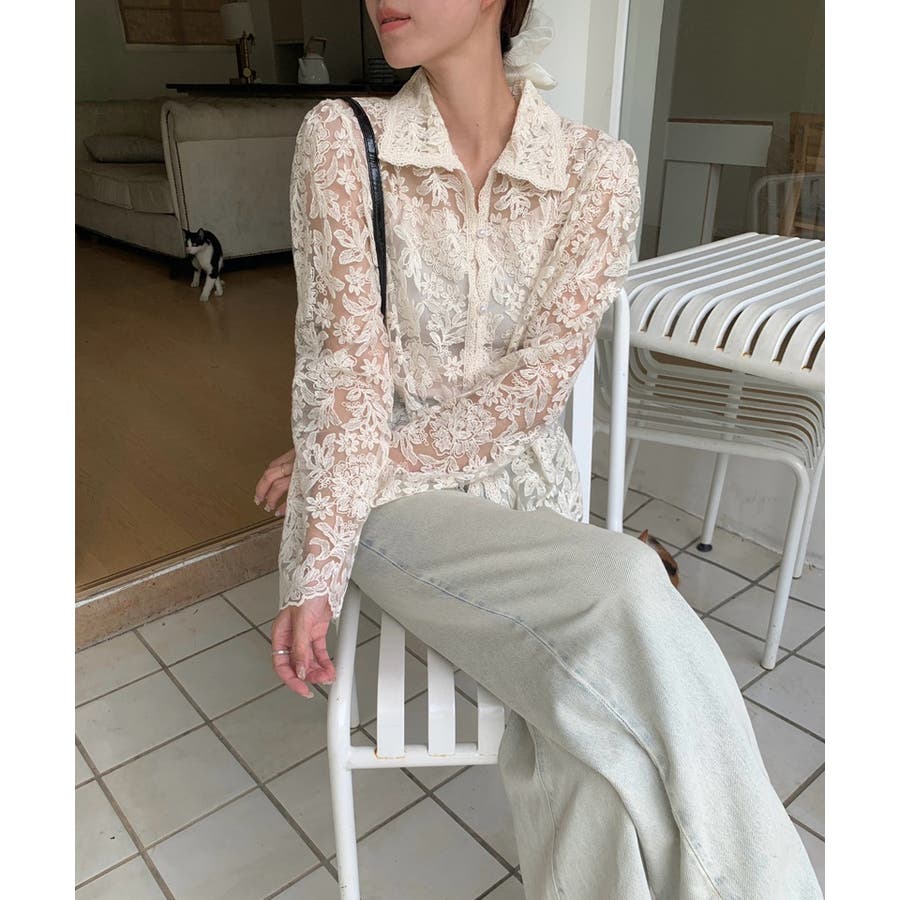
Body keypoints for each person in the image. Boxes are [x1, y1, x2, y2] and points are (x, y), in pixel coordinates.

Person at [254, 2, 823, 897]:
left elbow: (535, 388)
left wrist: (356, 464)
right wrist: (320, 549)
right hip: (401, 518)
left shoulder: (596, 171)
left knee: (598, 762)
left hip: (525, 496)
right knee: (629, 581)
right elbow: (344, 372)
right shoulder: (344, 140)